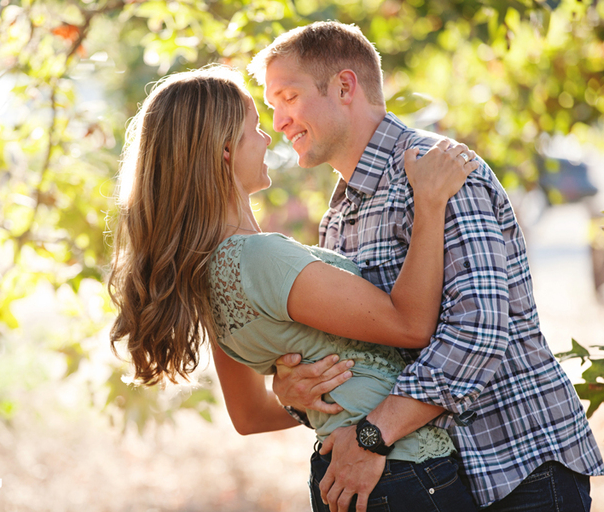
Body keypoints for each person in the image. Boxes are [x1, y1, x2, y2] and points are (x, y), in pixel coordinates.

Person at [245, 20, 604, 512]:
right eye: (271, 106)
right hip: (435, 478)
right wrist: (299, 391)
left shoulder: (441, 170)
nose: (279, 121)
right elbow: (361, 355)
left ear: (345, 86)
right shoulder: (338, 218)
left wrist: (373, 436)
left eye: (288, 97)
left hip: (520, 469)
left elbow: (477, 329)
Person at [107, 65, 480, 510]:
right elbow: (411, 324)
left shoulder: (205, 270)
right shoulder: (259, 258)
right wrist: (431, 202)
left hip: (345, 473)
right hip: (397, 473)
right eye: (255, 128)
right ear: (225, 150)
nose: (269, 139)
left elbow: (248, 417)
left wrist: (293, 398)